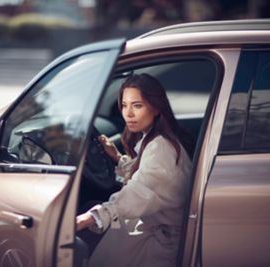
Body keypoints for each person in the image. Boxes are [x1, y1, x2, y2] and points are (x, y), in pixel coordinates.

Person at [76, 73, 193, 267]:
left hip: (162, 242)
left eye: (137, 105)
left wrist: (92, 216)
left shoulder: (161, 147)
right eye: (124, 105)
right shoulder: (156, 139)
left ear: (156, 108)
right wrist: (118, 158)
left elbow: (140, 192)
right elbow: (149, 175)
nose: (128, 114)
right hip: (156, 225)